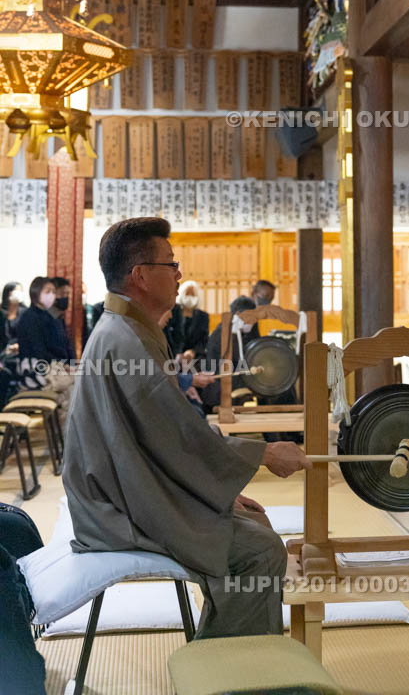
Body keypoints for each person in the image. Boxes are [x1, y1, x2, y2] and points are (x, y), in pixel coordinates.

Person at [62, 217, 311, 639]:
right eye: (170, 264)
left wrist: (218, 493)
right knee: (261, 550)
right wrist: (264, 455)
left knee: (257, 522)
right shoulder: (125, 340)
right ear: (140, 276)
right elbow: (178, 437)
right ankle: (226, 669)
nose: (179, 274)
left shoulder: (129, 329)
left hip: (132, 488)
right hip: (116, 508)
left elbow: (157, 443)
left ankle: (237, 656)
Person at [15, 278, 70, 391]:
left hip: (52, 364)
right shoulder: (29, 317)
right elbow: (38, 350)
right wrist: (60, 365)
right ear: (36, 292)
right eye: (47, 291)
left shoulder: (49, 316)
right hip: (35, 368)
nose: (52, 295)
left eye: (54, 292)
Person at [165, 280, 210, 360]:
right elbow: (168, 336)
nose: (189, 297)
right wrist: (177, 353)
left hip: (194, 358)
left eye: (193, 294)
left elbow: (204, 340)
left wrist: (193, 351)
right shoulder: (172, 312)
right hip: (171, 356)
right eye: (187, 294)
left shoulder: (203, 316)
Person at [1, 281, 25, 351]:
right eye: (17, 291)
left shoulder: (25, 313)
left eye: (21, 291)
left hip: (20, 351)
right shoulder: (1, 312)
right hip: (3, 352)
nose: (19, 293)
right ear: (8, 293)